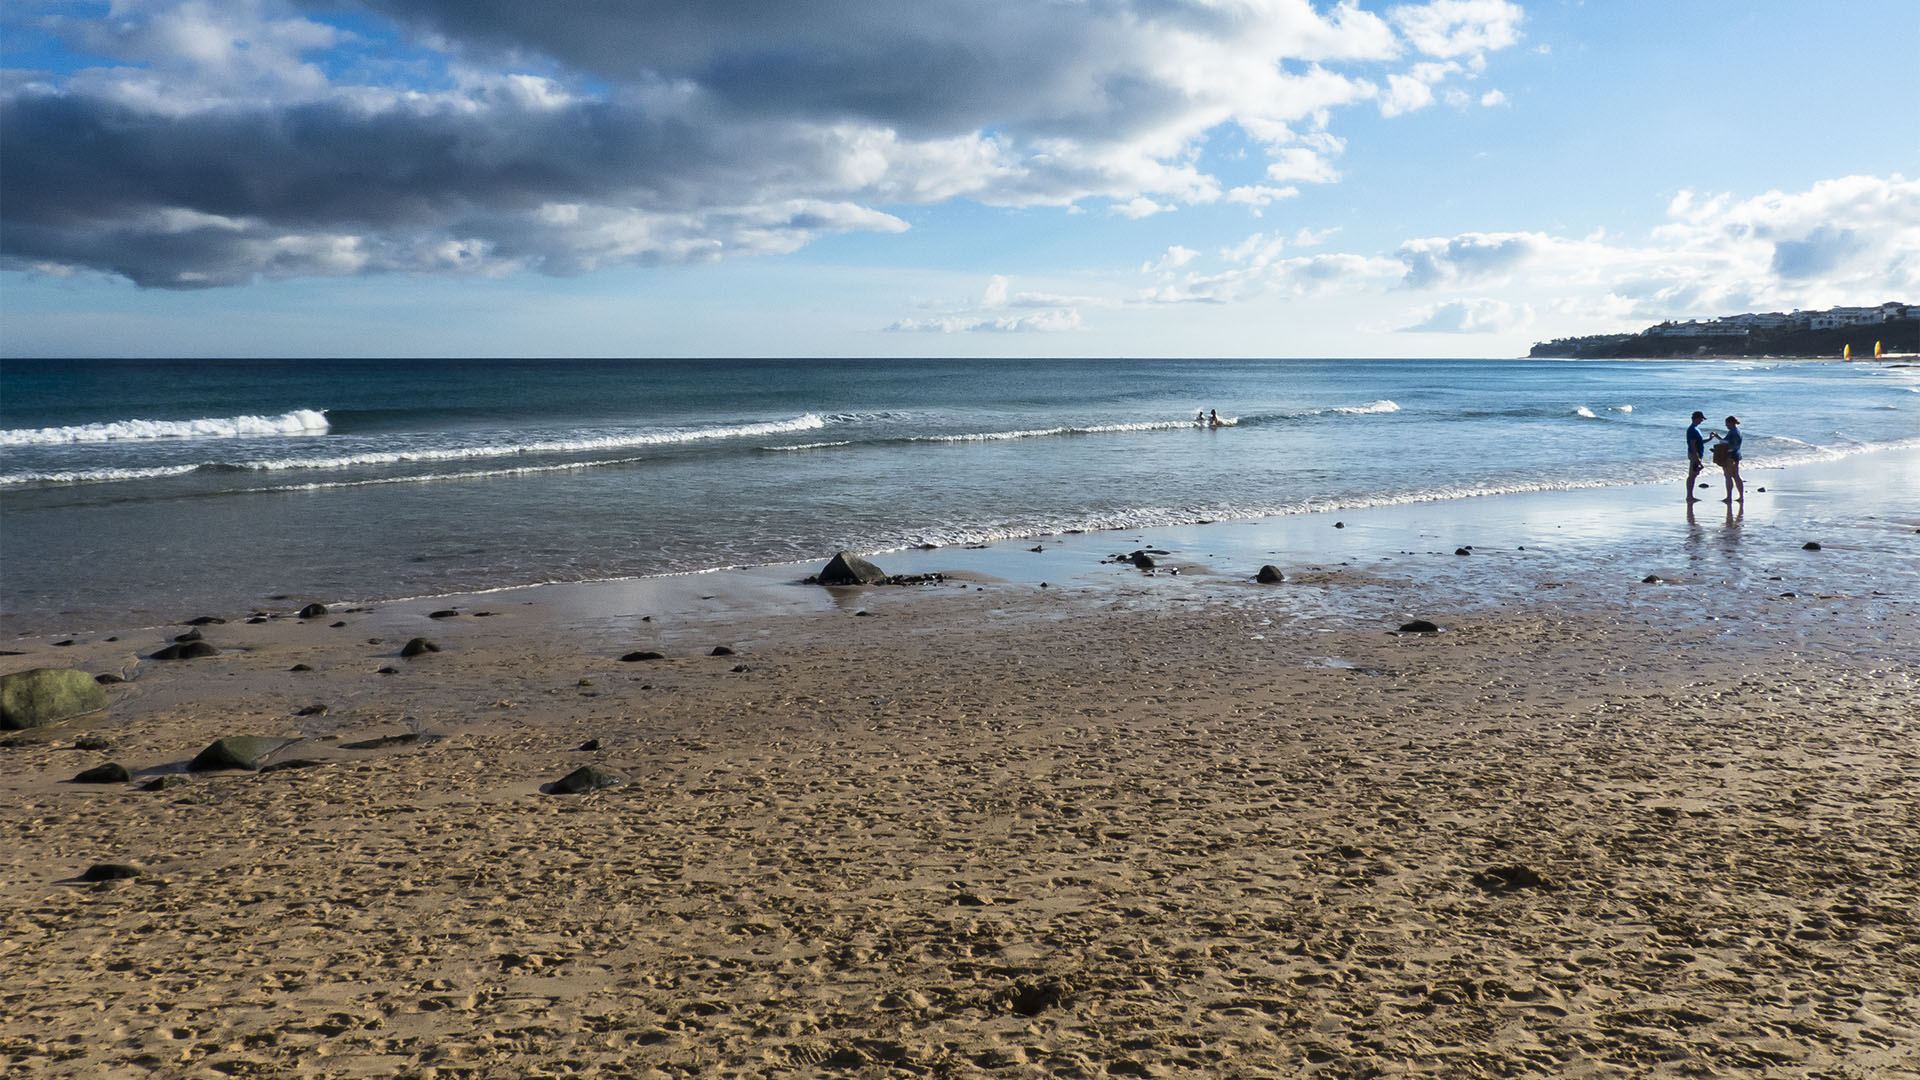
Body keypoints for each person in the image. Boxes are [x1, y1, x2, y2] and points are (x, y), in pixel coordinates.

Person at [1716, 415, 1744, 503]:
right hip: (1736, 455)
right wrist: (1718, 437)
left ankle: (1729, 497)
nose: (1726, 425)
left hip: (1730, 456)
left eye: (1727, 424)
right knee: (1736, 476)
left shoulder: (1733, 432)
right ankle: (1741, 496)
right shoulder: (1736, 432)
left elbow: (1729, 445)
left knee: (1728, 476)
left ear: (1731, 423)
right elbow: (1726, 442)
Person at [1685, 411, 1707, 502]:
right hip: (1694, 454)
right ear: (1696, 418)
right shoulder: (1692, 430)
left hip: (1697, 454)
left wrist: (1710, 439)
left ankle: (1690, 495)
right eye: (1701, 419)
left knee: (1694, 474)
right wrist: (1697, 458)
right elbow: (1693, 445)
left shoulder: (1696, 429)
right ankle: (1689, 496)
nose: (1701, 421)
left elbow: (1699, 442)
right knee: (1692, 475)